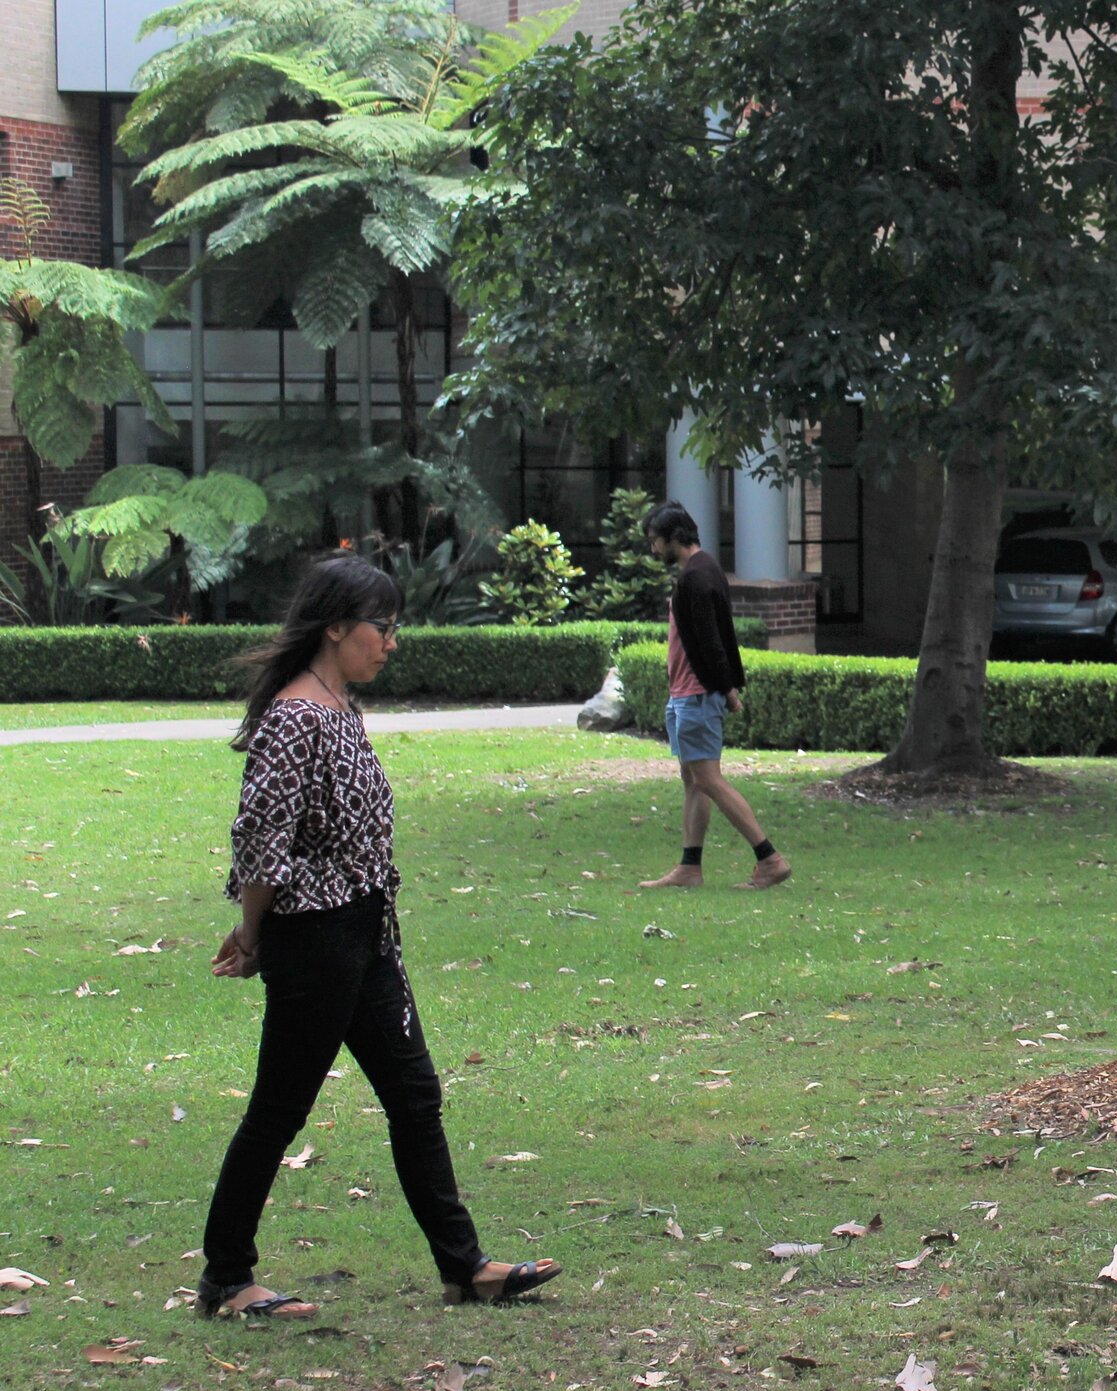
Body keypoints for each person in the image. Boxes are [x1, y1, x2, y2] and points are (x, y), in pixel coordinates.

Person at [202, 557, 560, 1318]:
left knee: (414, 1094)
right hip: (315, 938)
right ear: (335, 627)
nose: (391, 642)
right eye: (383, 627)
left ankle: (466, 1269)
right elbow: (263, 846)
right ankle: (227, 1280)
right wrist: (253, 935)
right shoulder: (298, 718)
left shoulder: (339, 707)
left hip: (365, 930)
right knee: (279, 1108)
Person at [637, 501, 791, 891]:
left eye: (655, 541)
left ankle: (769, 858)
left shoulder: (696, 579)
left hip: (696, 695)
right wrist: (727, 687)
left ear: (674, 538)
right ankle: (690, 867)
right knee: (694, 779)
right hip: (688, 694)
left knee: (709, 779)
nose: (653, 549)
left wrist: (726, 689)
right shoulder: (704, 570)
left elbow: (712, 642)